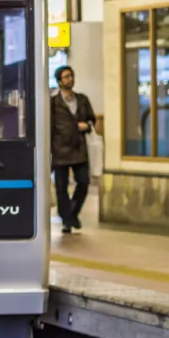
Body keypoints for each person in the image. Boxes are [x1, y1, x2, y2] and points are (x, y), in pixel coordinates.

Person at [51, 65, 97, 234]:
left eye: (71, 76)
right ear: (59, 81)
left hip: (79, 149)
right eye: (66, 77)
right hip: (60, 149)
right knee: (61, 188)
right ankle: (66, 220)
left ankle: (72, 213)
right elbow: (49, 127)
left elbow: (92, 120)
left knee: (83, 183)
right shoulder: (53, 103)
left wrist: (87, 126)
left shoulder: (82, 100)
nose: (70, 79)